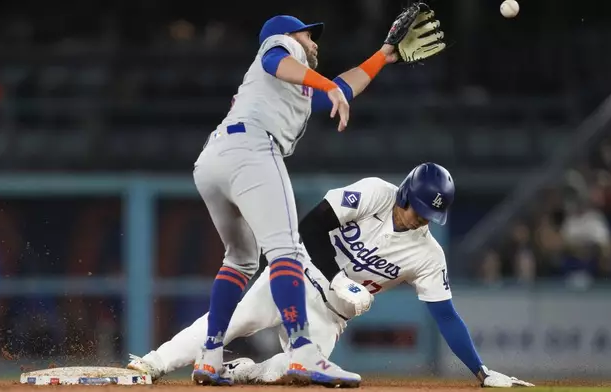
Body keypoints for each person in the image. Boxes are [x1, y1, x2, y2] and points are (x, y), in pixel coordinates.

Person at [144, 3, 445, 386]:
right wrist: (325, 82)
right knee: (286, 251)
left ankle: (210, 356)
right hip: (253, 150)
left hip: (213, 160)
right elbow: (275, 60)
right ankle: (304, 354)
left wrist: (383, 57)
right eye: (308, 33)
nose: (312, 41)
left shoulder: (296, 87)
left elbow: (343, 87)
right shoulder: (282, 45)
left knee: (239, 260)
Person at [128, 163, 535, 388]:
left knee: (295, 374)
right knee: (230, 322)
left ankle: (247, 370)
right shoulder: (376, 192)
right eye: (419, 210)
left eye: (431, 216)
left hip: (331, 316)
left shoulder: (428, 254)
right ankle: (153, 363)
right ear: (407, 194)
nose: (421, 221)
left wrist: (481, 372)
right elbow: (308, 227)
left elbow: (446, 315)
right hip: (295, 277)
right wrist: (338, 277)